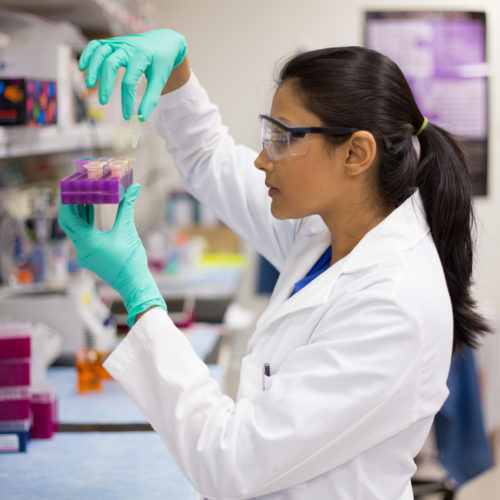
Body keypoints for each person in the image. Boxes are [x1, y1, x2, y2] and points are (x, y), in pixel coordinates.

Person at [59, 29, 491, 499]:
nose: (263, 159)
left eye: (283, 138)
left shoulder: (394, 303)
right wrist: (176, 70)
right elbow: (209, 158)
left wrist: (140, 294)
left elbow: (231, 463)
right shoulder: (329, 230)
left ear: (355, 153)